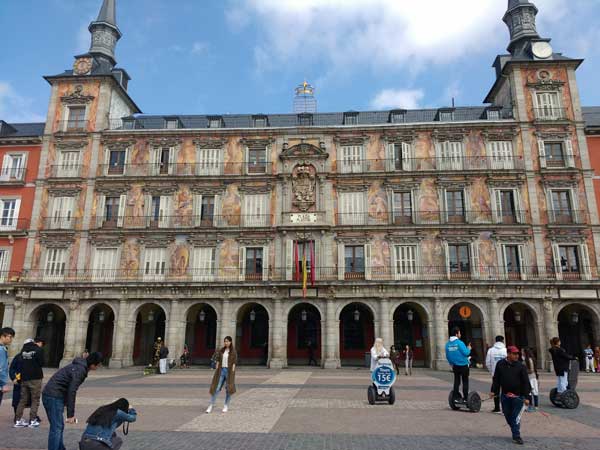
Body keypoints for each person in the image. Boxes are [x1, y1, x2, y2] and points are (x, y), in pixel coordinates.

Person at [42, 352, 103, 450]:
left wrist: (65, 403)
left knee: (58, 426)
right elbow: (72, 390)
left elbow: (67, 386)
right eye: (99, 364)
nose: (99, 366)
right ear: (93, 364)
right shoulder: (80, 370)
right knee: (57, 427)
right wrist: (70, 414)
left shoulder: (79, 366)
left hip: (53, 395)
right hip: (53, 396)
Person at [490, 346, 531, 445]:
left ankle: (516, 436)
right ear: (508, 354)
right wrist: (493, 391)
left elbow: (526, 382)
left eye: (517, 354)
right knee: (507, 415)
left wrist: (527, 397)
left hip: (518, 397)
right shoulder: (500, 364)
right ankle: (514, 428)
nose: (516, 356)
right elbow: (496, 379)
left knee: (515, 416)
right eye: (514, 354)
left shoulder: (521, 366)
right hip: (505, 396)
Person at [14, 337, 45, 428]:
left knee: (23, 400)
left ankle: (18, 420)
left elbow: (20, 363)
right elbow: (41, 363)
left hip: (24, 378)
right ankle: (32, 420)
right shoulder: (38, 350)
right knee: (35, 399)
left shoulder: (23, 351)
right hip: (35, 377)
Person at [206, 336, 237, 413]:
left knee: (228, 389)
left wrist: (232, 373)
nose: (226, 343)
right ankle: (211, 405)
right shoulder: (221, 351)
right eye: (225, 341)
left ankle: (226, 405)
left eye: (227, 341)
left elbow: (234, 363)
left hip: (229, 372)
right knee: (216, 388)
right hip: (221, 371)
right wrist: (217, 369)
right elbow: (218, 361)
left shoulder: (233, 352)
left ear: (230, 342)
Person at [445, 327, 471, 402]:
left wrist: (451, 363)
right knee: (465, 381)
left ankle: (455, 397)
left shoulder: (447, 344)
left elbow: (447, 356)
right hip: (463, 365)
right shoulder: (460, 343)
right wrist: (468, 348)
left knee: (456, 381)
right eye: (459, 333)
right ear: (456, 334)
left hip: (455, 366)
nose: (460, 334)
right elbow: (466, 353)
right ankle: (466, 398)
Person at [485, 335, 507, 414]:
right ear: (502, 341)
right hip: (505, 374)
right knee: (505, 391)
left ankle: (497, 407)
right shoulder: (505, 350)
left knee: (495, 390)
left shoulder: (490, 350)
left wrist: (492, 371)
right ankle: (505, 408)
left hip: (495, 374)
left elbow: (487, 363)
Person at [0, 327, 16, 407]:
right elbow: (1, 368)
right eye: (9, 337)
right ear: (2, 336)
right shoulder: (1, 350)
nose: (11, 339)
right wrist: (3, 384)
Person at [522, 348, 539, 412]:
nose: (522, 353)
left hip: (531, 377)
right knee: (530, 392)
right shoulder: (525, 360)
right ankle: (531, 405)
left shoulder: (529, 360)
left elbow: (531, 370)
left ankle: (534, 405)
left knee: (533, 391)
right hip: (529, 377)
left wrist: (523, 371)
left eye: (523, 351)